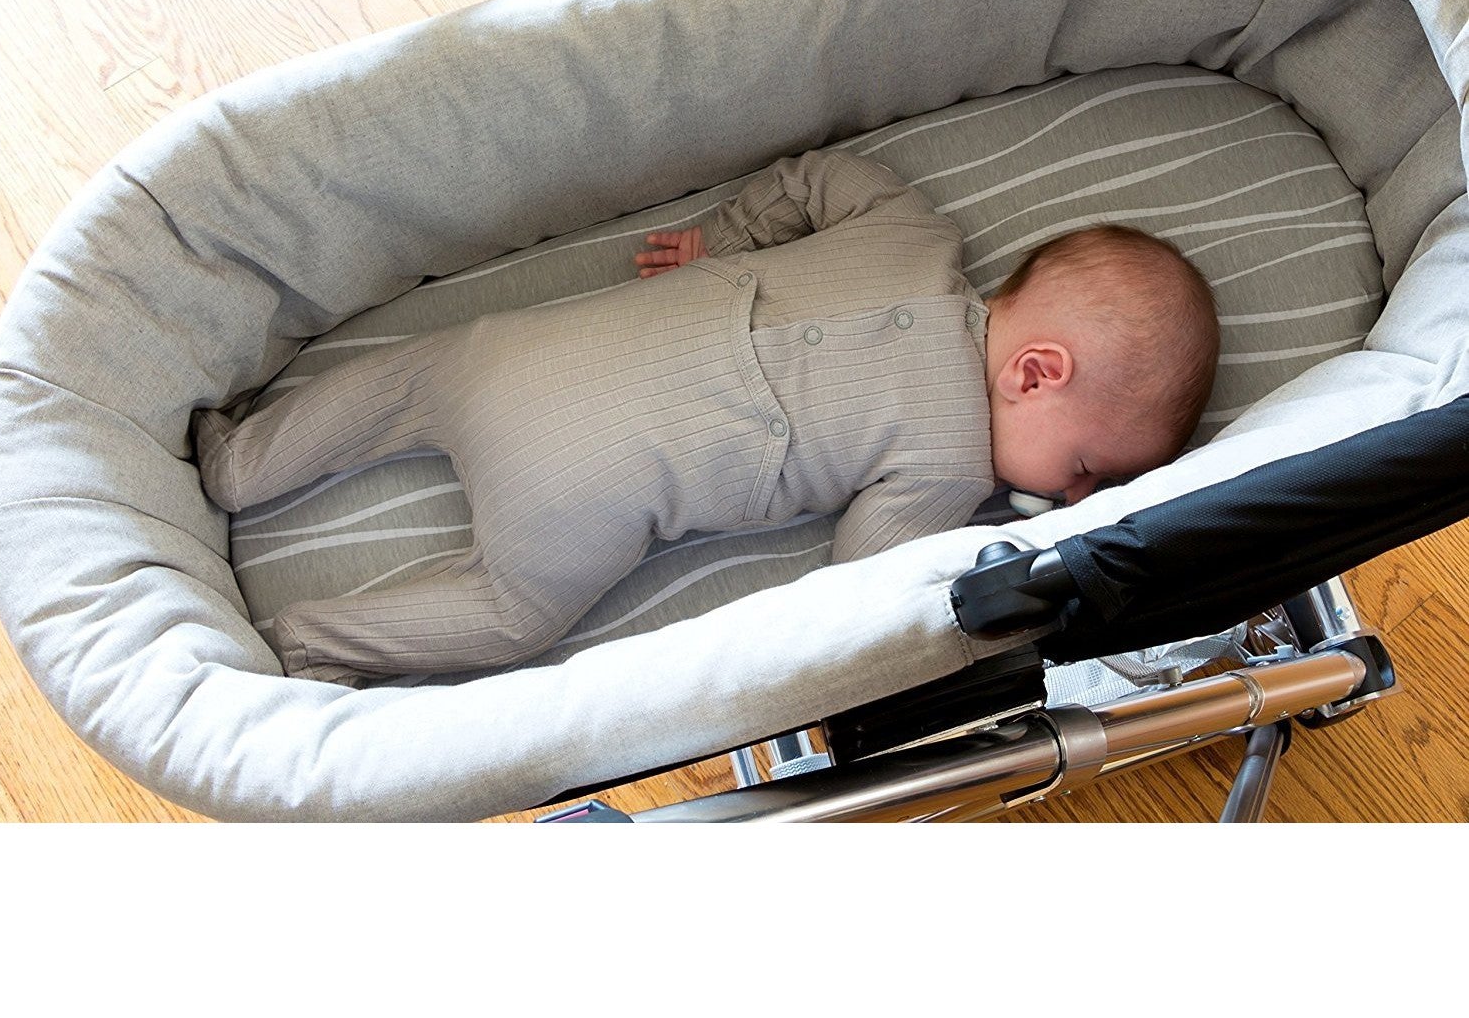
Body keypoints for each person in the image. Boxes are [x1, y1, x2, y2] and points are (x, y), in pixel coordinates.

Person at [194, 149, 1218, 686]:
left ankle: (242, 461)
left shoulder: (914, 231)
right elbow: (866, 584)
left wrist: (721, 244)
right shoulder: (949, 462)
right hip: (582, 492)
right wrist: (998, 544)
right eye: (1087, 469)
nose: (1074, 496)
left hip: (512, 358)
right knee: (514, 614)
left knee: (417, 375)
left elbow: (818, 177)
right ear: (1035, 373)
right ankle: (309, 643)